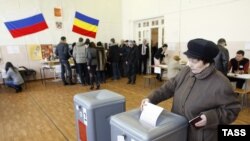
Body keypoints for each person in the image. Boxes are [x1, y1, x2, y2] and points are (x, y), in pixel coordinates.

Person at [140, 38, 241, 141]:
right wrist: (151, 99)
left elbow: (232, 110)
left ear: (207, 62)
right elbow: (169, 87)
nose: (189, 64)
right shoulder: (186, 71)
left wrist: (211, 117)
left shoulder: (221, 83)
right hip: (178, 130)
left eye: (194, 61)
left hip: (199, 136)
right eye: (188, 59)